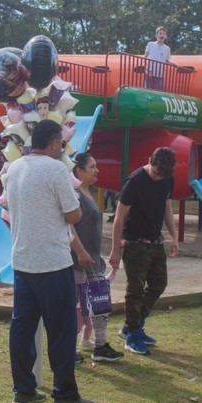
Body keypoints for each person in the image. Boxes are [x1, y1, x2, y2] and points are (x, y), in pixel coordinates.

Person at [5, 119, 95, 403]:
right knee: (61, 331)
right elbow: (73, 215)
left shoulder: (16, 167)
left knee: (22, 328)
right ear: (55, 143)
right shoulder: (56, 169)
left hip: (23, 261)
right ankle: (65, 394)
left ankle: (24, 390)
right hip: (53, 263)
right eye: (62, 144)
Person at [109, 146, 179, 355]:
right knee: (135, 289)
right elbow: (119, 217)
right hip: (134, 243)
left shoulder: (167, 179)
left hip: (156, 242)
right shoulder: (135, 182)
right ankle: (133, 334)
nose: (158, 178)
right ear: (150, 160)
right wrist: (115, 250)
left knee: (159, 284)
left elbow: (167, 207)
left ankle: (133, 325)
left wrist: (174, 236)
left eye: (162, 175)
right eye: (156, 173)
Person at [71, 152, 124, 362]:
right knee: (75, 308)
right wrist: (80, 251)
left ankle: (100, 346)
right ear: (79, 171)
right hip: (77, 262)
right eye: (92, 167)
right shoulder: (74, 195)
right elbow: (68, 227)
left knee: (100, 303)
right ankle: (69, 349)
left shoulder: (89, 193)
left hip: (93, 261)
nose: (97, 170)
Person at [144, 26, 171, 91]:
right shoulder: (150, 44)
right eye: (160, 33)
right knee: (148, 91)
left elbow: (167, 61)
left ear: (166, 36)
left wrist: (175, 64)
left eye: (164, 34)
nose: (162, 35)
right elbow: (145, 57)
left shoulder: (167, 48)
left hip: (160, 74)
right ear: (156, 35)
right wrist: (146, 68)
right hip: (150, 73)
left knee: (160, 92)